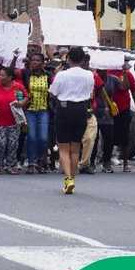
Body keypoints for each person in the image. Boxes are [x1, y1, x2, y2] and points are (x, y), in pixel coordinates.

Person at [50, 47, 94, 195]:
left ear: (68, 58)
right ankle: (72, 179)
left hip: (64, 108)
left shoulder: (62, 75)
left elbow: (53, 92)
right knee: (75, 147)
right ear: (83, 60)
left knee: (63, 147)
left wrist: (56, 75)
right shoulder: (89, 75)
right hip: (81, 109)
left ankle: (68, 178)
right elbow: (90, 93)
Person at [0, 66, 28, 174]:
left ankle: (11, 165)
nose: (0, 77)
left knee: (13, 143)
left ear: (10, 77)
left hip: (14, 121)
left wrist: (22, 103)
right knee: (0, 142)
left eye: (3, 75)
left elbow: (26, 97)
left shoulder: (18, 87)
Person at [21, 52, 52, 174]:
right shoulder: (26, 74)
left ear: (43, 63)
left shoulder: (48, 76)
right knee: (32, 137)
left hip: (44, 110)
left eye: (38, 60)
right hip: (30, 110)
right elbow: (12, 72)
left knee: (43, 138)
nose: (34, 62)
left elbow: (53, 90)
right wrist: (15, 58)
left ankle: (41, 161)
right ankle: (31, 162)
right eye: (32, 60)